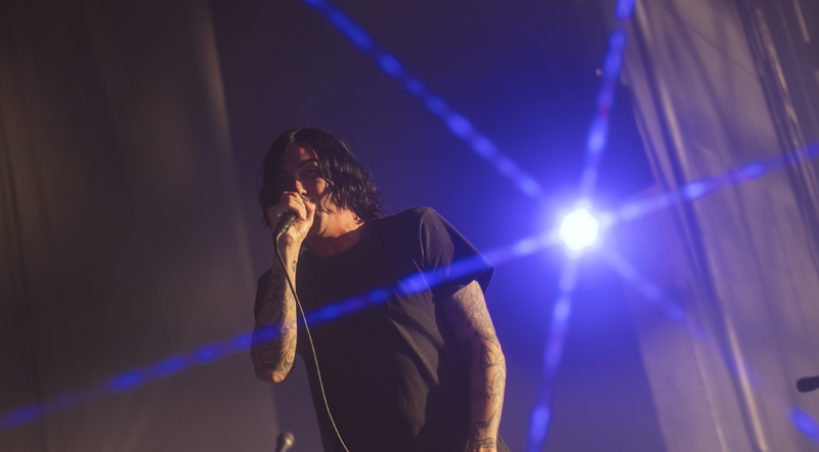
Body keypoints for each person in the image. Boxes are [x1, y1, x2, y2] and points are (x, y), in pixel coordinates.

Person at [251, 128, 508, 452]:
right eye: (285, 182)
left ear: (340, 175)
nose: (296, 190)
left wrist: (483, 443)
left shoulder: (416, 231)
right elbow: (271, 369)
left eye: (309, 173)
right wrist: (285, 251)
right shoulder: (281, 282)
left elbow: (482, 342)